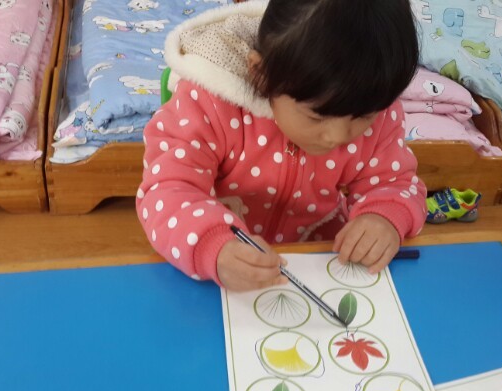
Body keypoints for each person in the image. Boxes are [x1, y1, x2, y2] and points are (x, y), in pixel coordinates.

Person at [136, 0, 426, 291]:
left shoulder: (372, 101)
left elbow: (394, 182)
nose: (338, 136)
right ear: (261, 75)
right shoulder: (209, 102)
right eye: (317, 116)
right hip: (221, 266)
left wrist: (384, 216)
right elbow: (168, 189)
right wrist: (212, 244)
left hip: (319, 260)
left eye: (363, 116)